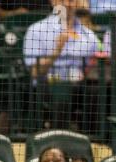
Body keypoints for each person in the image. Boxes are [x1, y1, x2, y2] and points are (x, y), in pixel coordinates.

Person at [24, 0, 101, 132]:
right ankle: (58, 140)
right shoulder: (36, 30)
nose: (69, 4)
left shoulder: (89, 36)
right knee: (62, 89)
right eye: (65, 0)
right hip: (46, 86)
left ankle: (91, 139)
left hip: (79, 87)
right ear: (54, 2)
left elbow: (94, 65)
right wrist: (56, 52)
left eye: (73, 1)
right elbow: (35, 71)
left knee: (98, 90)